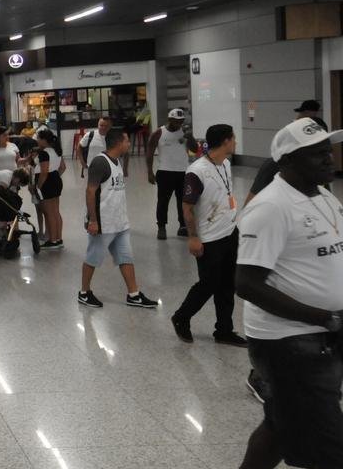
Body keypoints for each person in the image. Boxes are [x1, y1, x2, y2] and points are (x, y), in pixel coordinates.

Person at [203, 119, 343, 469]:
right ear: (288, 161)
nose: (329, 158)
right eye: (317, 153)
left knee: (283, 424)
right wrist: (324, 318)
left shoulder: (321, 195)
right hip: (289, 342)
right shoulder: (270, 207)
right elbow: (246, 283)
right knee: (332, 447)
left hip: (322, 331)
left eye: (328, 149)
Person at [170, 124, 246, 346]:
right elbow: (187, 207)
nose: (235, 142)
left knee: (227, 284)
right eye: (233, 138)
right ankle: (181, 317)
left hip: (230, 232)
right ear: (225, 141)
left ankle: (224, 330)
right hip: (209, 239)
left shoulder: (226, 164)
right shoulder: (197, 171)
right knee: (209, 284)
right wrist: (193, 237)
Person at [78, 128, 159, 309]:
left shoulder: (117, 161)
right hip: (102, 223)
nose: (129, 144)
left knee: (126, 257)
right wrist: (92, 220)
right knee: (93, 258)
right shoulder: (100, 162)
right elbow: (90, 192)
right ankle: (84, 292)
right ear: (117, 143)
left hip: (119, 222)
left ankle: (134, 294)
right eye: (127, 141)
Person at [245, 100, 329, 205]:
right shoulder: (274, 165)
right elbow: (250, 204)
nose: (328, 159)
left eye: (327, 150)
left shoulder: (321, 176)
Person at [146, 108, 198, 239]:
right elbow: (150, 152)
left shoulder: (185, 132)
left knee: (183, 201)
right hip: (165, 172)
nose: (179, 124)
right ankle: (161, 227)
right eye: (176, 121)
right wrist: (149, 172)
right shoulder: (159, 133)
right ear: (169, 120)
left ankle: (183, 226)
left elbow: (195, 149)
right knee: (163, 201)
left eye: (181, 121)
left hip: (183, 172)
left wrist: (190, 136)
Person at [33, 129, 66, 249]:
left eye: (38, 138)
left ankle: (52, 240)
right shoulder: (56, 151)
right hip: (56, 180)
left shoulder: (44, 153)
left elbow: (44, 172)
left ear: (43, 140)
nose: (37, 140)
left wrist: (38, 187)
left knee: (49, 212)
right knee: (56, 211)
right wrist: (55, 177)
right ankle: (58, 238)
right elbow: (63, 167)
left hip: (46, 183)